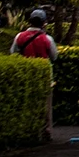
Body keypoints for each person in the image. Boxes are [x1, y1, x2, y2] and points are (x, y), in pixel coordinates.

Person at [11, 9, 57, 137]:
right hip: (45, 76)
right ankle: (46, 130)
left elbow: (13, 53)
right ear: (44, 23)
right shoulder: (47, 39)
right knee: (46, 105)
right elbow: (54, 57)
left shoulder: (19, 37)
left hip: (25, 75)